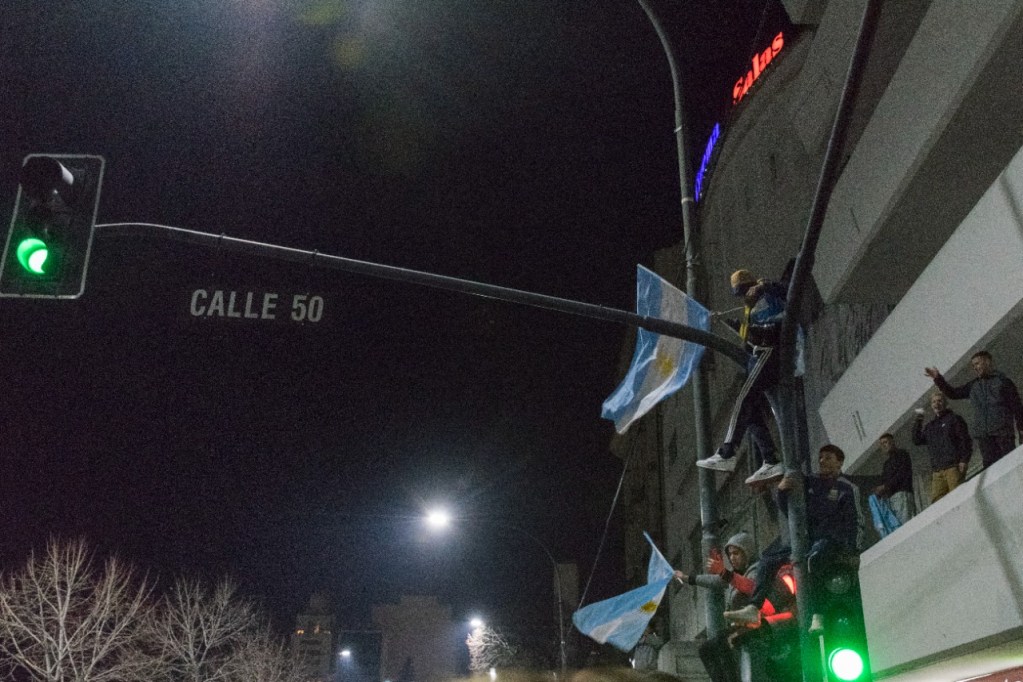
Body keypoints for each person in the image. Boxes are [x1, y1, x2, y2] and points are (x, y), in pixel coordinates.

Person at [722, 444, 859, 626]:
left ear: (839, 462)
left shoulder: (846, 488)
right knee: (768, 560)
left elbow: (854, 521)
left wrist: (853, 550)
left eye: (828, 457)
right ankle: (754, 607)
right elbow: (792, 512)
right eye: (820, 457)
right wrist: (781, 492)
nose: (822, 461)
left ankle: (818, 614)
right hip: (808, 539)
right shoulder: (810, 482)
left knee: (812, 561)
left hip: (831, 540)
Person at [697, 269, 786, 485]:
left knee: (743, 399)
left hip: (770, 352)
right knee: (750, 410)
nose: (745, 295)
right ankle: (770, 459)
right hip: (759, 353)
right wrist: (725, 321)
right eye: (740, 293)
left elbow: (787, 293)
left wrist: (764, 285)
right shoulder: (750, 309)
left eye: (746, 290)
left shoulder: (768, 294)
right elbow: (748, 334)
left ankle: (728, 452)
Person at [674, 533, 791, 682]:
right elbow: (714, 580)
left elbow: (753, 587)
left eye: (736, 553)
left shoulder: (757, 570)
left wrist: (725, 573)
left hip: (762, 625)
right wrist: (686, 578)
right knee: (706, 649)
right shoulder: (734, 576)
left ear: (747, 552)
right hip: (745, 626)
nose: (732, 558)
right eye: (730, 554)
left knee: (723, 642)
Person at [925, 350, 1023, 469]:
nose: (975, 368)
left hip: (1003, 434)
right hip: (984, 437)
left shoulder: (1003, 382)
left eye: (977, 363)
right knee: (992, 470)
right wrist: (938, 378)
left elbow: (1017, 407)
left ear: (987, 362)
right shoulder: (973, 386)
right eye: (973, 365)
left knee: (1010, 466)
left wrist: (1021, 429)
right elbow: (953, 393)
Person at [912, 390, 972, 503]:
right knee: (937, 503)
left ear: (945, 403)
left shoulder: (954, 419)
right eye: (934, 402)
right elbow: (916, 440)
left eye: (939, 401)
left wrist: (964, 460)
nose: (937, 404)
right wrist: (919, 419)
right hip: (937, 471)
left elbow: (965, 440)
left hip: (953, 467)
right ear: (931, 405)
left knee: (959, 499)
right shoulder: (930, 426)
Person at [867, 433, 916, 537]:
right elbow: (884, 480)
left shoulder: (902, 454)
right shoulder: (886, 464)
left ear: (892, 442)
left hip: (902, 494)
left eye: (885, 442)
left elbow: (901, 474)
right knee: (898, 529)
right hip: (891, 498)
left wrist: (885, 486)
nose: (884, 446)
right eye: (881, 444)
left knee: (906, 527)